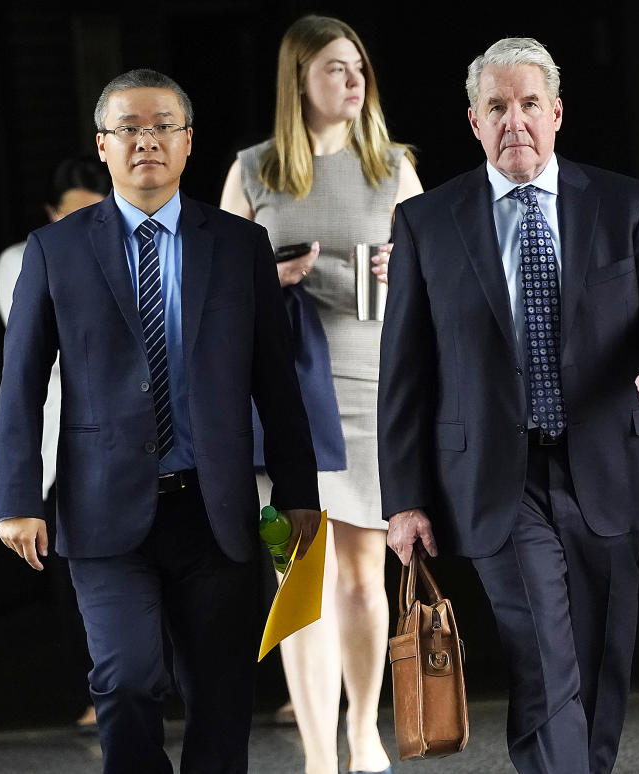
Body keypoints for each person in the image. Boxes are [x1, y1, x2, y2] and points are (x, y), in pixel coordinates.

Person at [378, 38, 639, 774]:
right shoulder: (429, 223)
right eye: (497, 106)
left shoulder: (625, 203)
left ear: (556, 113)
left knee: (597, 664)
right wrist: (402, 498)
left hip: (607, 464)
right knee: (542, 657)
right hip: (497, 477)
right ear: (473, 121)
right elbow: (404, 370)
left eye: (529, 104)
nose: (514, 120)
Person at [0, 68, 322, 774]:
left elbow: (276, 382)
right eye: (129, 128)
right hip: (103, 508)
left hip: (217, 509)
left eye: (162, 126)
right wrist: (17, 499)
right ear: (103, 145)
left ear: (188, 142)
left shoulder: (238, 246)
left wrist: (299, 493)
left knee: (222, 697)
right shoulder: (56, 249)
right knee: (126, 679)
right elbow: (20, 384)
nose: (147, 141)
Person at [220, 14, 422, 774]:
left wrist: (402, 272)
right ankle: (314, 754)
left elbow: (435, 281)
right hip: (276, 407)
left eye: (359, 67)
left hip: (372, 395)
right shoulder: (253, 170)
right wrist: (264, 280)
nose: (353, 79)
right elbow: (209, 293)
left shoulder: (394, 166)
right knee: (294, 581)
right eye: (336, 67)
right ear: (298, 79)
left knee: (364, 575)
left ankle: (364, 734)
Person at [0, 155, 111, 732]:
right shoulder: (22, 259)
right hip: (59, 450)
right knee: (74, 577)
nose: (87, 223)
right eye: (74, 213)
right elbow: (46, 349)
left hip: (135, 442)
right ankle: (96, 691)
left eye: (98, 210)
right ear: (50, 213)